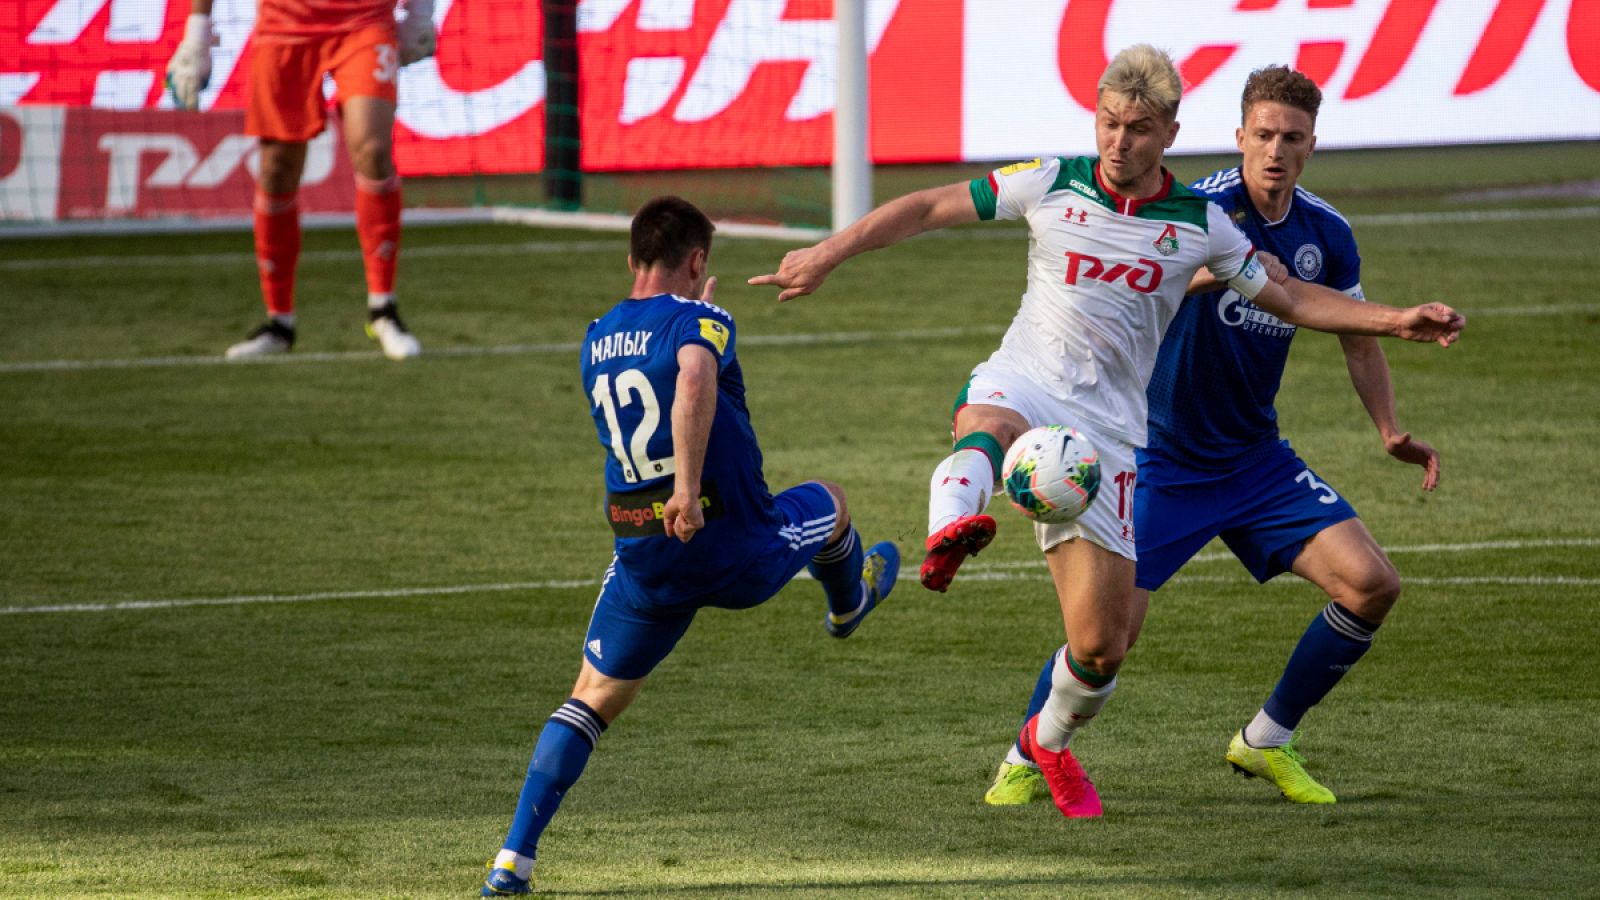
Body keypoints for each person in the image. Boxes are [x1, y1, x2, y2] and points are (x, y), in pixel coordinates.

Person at [750, 45, 1463, 820]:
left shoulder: (1214, 226)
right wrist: (828, 252)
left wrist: (1396, 324)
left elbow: (1295, 301)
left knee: (1112, 646)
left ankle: (1080, 741)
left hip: (1165, 447)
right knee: (993, 437)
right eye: (1109, 123)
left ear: (1171, 134)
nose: (1119, 142)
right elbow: (929, 208)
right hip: (1087, 414)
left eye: (1139, 129)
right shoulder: (1066, 184)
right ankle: (956, 547)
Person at [983, 65, 1447, 808]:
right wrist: (1224, 273)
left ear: (1312, 145)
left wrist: (1390, 428)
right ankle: (1026, 757)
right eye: (1263, 134)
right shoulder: (1197, 210)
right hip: (1160, 458)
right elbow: (1126, 286)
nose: (1275, 150)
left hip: (1254, 459)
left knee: (1371, 585)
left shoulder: (1326, 232)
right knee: (1107, 637)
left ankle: (1266, 740)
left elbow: (1351, 333)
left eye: (1291, 138)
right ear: (1238, 136)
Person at [479, 197, 899, 896]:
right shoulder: (704, 321)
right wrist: (688, 487)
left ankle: (511, 861)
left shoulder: (595, 335)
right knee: (830, 502)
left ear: (632, 257)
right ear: (698, 260)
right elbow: (695, 378)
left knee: (591, 699)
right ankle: (849, 603)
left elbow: (658, 371)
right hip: (729, 543)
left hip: (644, 551)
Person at [165, 0, 436, 360]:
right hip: (284, 23)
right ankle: (279, 323)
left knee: (373, 149)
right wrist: (196, 34)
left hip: (364, 20)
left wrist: (420, 13)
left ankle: (383, 309)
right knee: (277, 168)